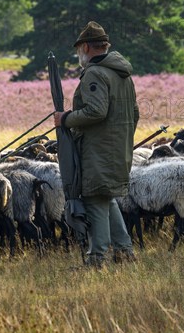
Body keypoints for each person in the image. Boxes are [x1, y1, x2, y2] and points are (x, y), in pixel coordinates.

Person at [54, 21, 139, 267]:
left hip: (97, 151)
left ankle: (97, 258)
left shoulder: (94, 73)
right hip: (118, 150)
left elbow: (96, 111)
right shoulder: (123, 74)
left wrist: (66, 119)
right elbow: (134, 114)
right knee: (106, 199)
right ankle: (124, 252)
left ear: (88, 47)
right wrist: (121, 140)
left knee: (94, 199)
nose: (79, 53)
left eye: (80, 48)